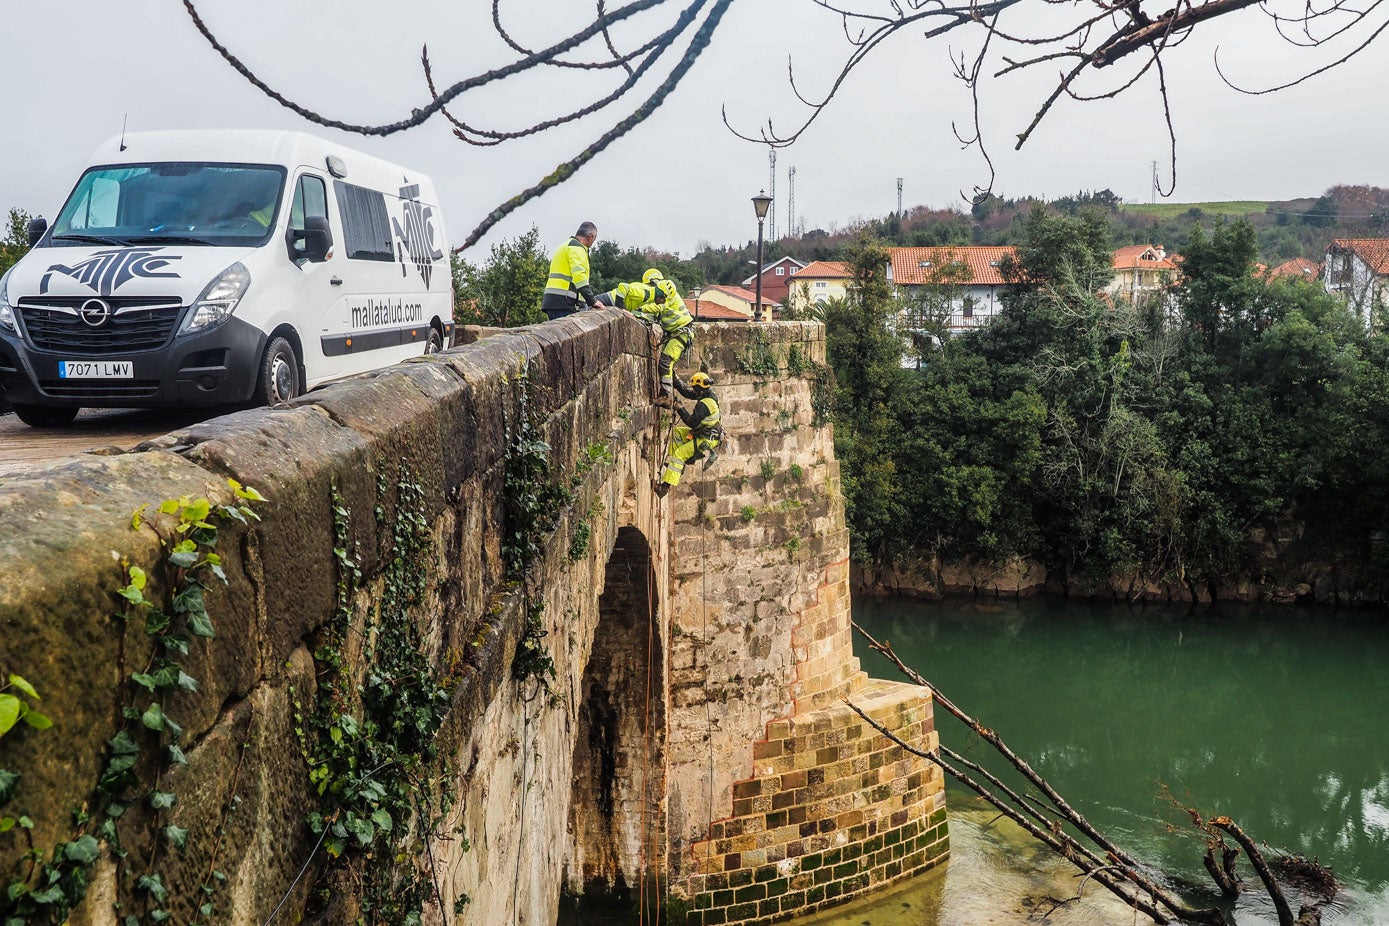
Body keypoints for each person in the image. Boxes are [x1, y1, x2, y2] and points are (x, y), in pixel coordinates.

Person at [630, 269, 694, 404]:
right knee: (667, 366)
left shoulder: (668, 293)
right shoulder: (664, 291)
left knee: (665, 363)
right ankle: (678, 388)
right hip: (676, 333)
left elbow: (657, 308)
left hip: (681, 333)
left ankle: (667, 397)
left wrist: (638, 310)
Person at [656, 372, 723, 497]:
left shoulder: (705, 403)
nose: (693, 390)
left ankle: (663, 488)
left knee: (679, 454)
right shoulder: (707, 394)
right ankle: (676, 467)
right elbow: (687, 392)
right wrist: (676, 381)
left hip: (706, 438)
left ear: (699, 388)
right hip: (705, 433)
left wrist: (680, 408)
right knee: (677, 433)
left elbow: (692, 422)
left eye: (694, 388)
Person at [542, 222, 600, 320]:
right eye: (594, 239)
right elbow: (580, 279)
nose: (592, 243)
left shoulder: (566, 246)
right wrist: (593, 301)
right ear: (590, 236)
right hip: (564, 302)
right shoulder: (577, 248)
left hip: (554, 301)